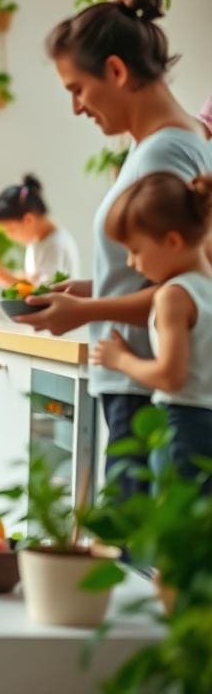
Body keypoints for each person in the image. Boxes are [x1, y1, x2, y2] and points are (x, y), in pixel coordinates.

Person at [16, 0, 212, 497]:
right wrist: (81, 292)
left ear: (117, 71)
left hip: (144, 390)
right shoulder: (165, 144)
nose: (77, 107)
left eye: (77, 89)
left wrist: (84, 314)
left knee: (138, 554)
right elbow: (156, 272)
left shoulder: (163, 154)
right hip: (141, 388)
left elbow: (195, 287)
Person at [92, 172, 212, 489]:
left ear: (173, 241)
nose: (131, 263)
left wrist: (120, 359)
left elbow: (171, 377)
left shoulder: (173, 295)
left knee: (171, 531)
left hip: (183, 428)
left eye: (135, 250)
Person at [0, 173, 81, 287]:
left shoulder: (55, 245)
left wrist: (1, 276)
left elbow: (44, 293)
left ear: (28, 220)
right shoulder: (37, 241)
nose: (8, 236)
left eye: (10, 230)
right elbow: (33, 279)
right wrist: (1, 270)